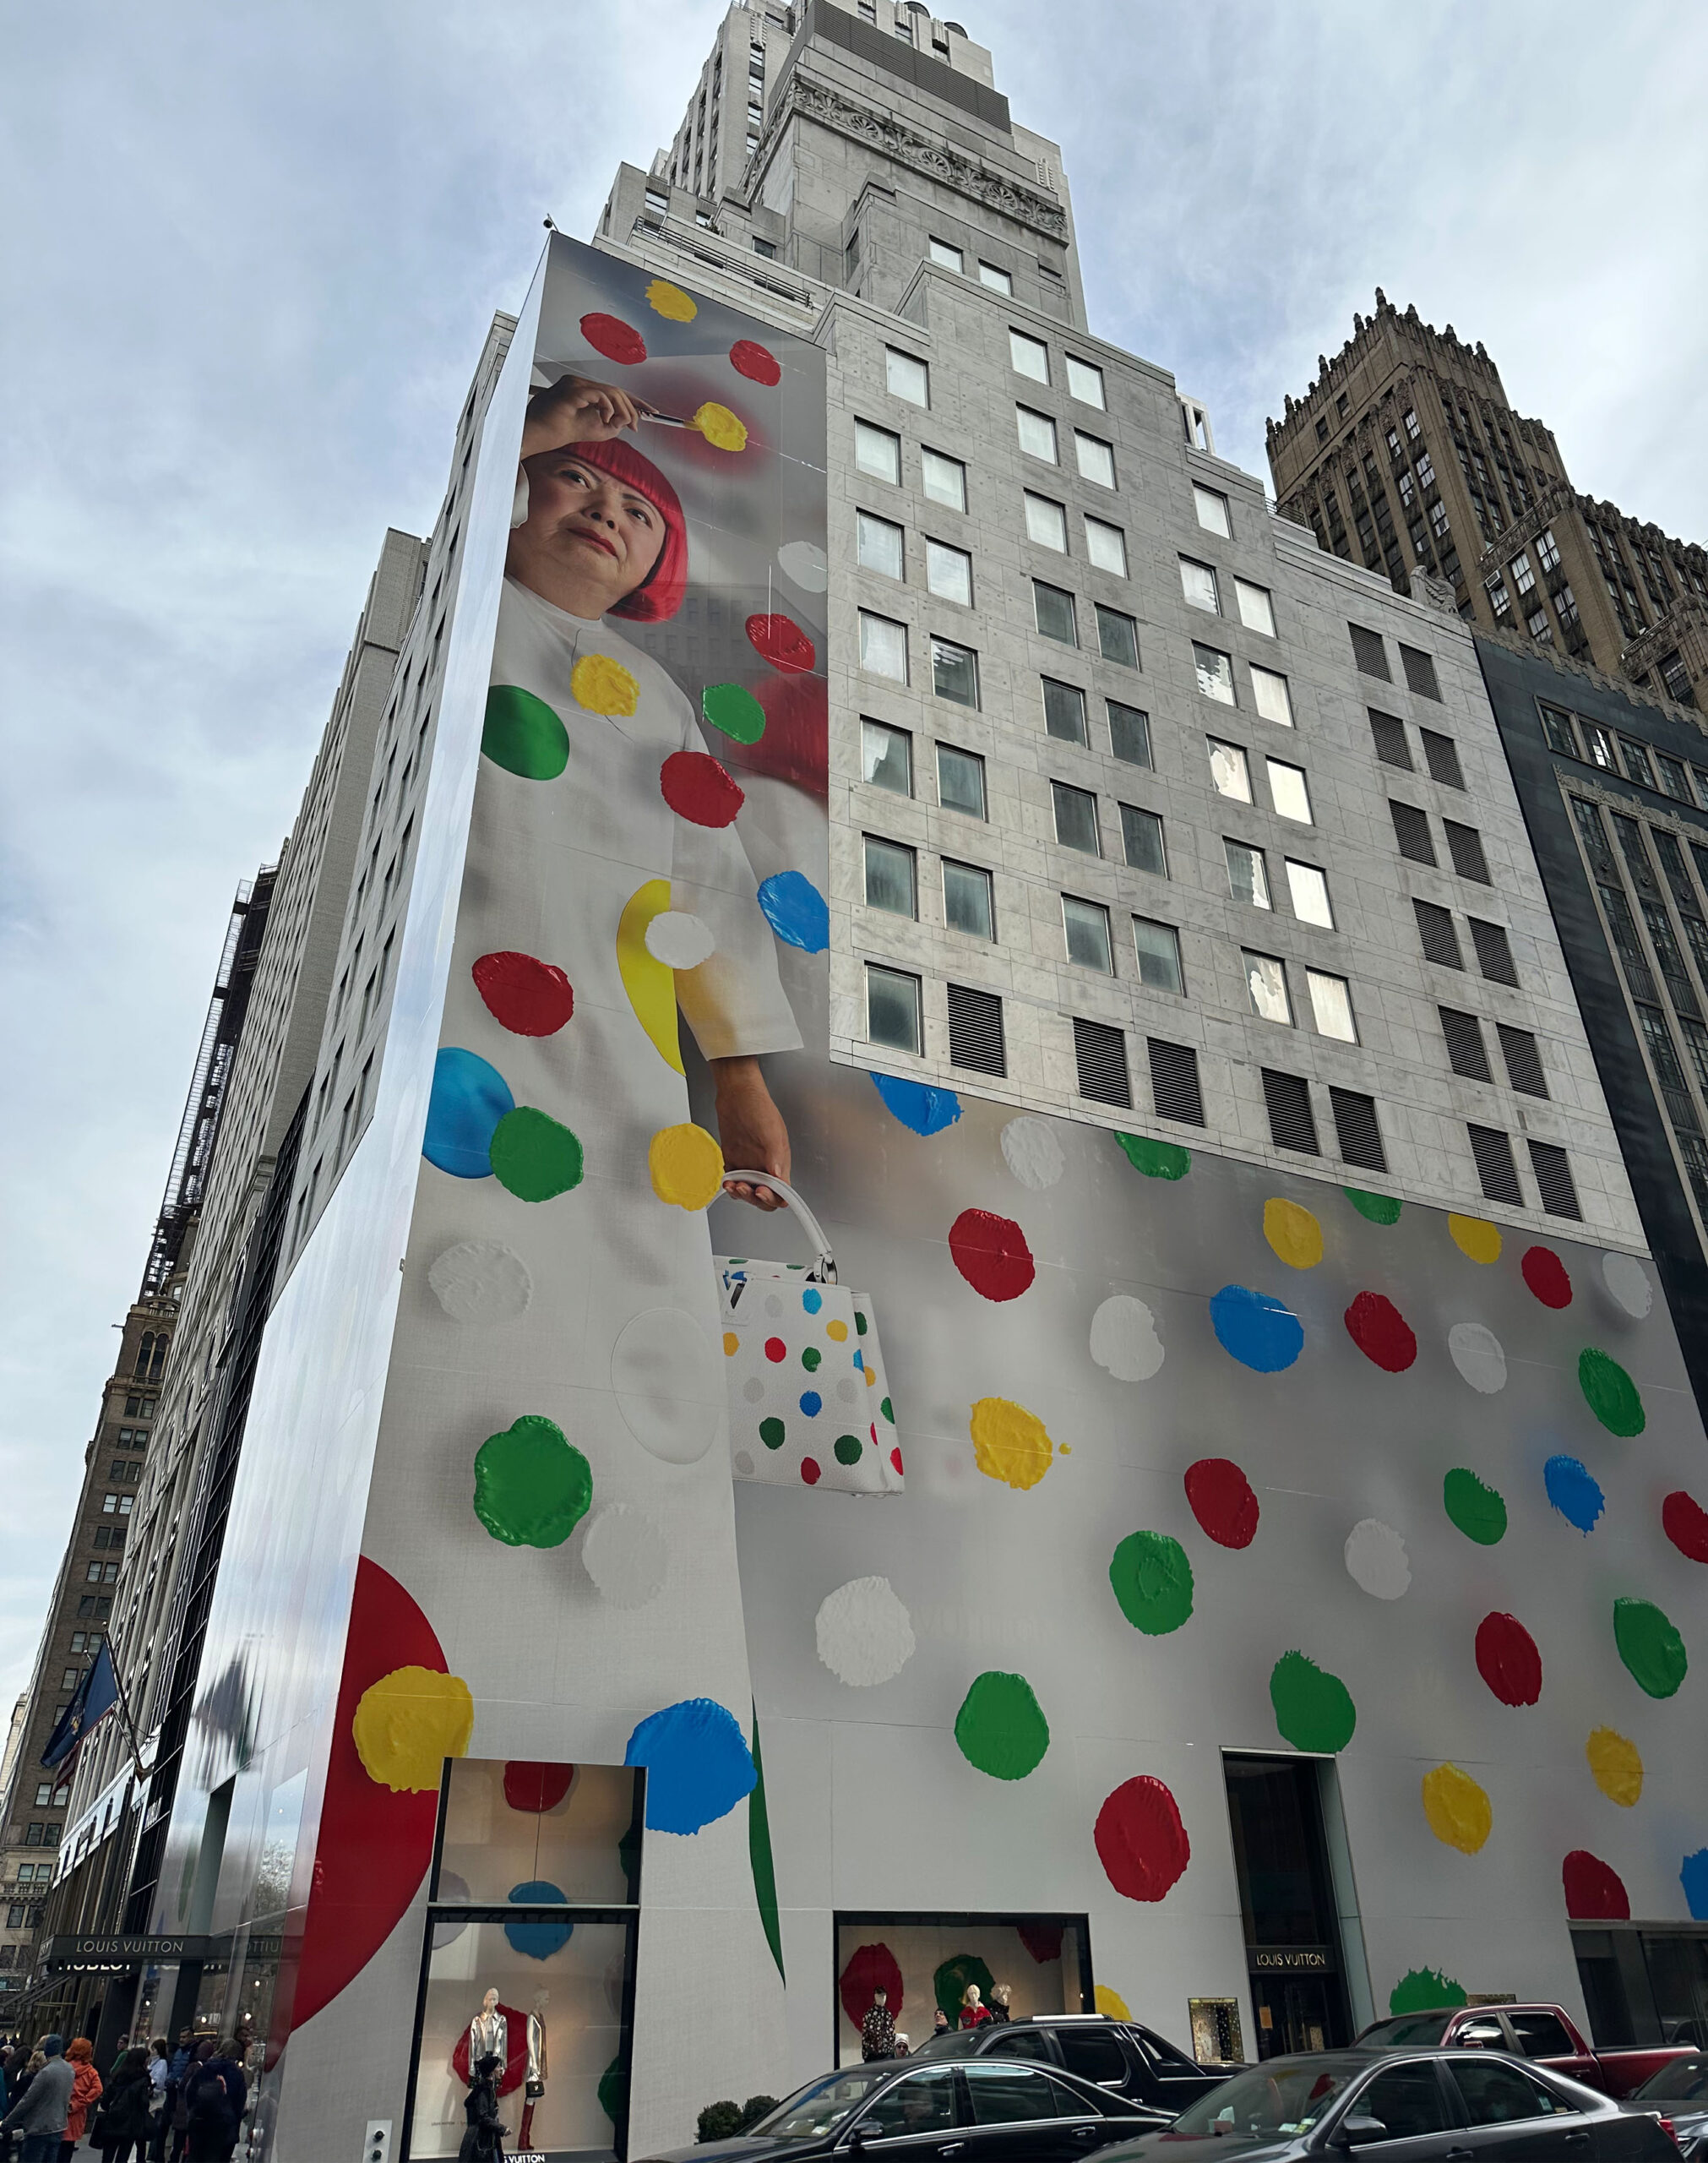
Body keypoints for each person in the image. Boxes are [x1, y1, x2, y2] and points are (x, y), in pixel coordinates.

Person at [1, 2034, 73, 2163]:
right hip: (58, 2126)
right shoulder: (69, 2069)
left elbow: (28, 2100)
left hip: (39, 2127)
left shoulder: (46, 2071)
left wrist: (7, 2121)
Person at [183, 2040, 245, 2163]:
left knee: (195, 2156)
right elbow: (239, 2101)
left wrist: (192, 2113)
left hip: (199, 2121)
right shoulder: (236, 2073)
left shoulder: (205, 2068)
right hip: (223, 2126)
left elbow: (189, 2091)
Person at [91, 2046, 153, 2163]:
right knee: (122, 2157)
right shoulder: (143, 2079)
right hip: (130, 2124)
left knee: (107, 2157)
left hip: (113, 2119)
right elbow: (144, 2104)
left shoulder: (118, 2075)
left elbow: (106, 2100)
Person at [459, 2051, 504, 2162]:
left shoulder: (487, 2089)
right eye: (498, 2067)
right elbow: (483, 2117)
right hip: (481, 2142)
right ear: (491, 2071)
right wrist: (502, 2128)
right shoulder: (483, 2091)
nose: (501, 2069)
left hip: (486, 2140)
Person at [60, 2039, 101, 2163]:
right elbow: (98, 2089)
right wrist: (80, 2103)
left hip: (58, 2111)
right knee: (67, 2150)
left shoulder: (63, 2067)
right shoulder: (90, 2072)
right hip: (76, 2115)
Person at [860, 1988, 896, 2062]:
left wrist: (892, 2053)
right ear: (875, 1997)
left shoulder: (888, 2015)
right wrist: (866, 2054)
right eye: (880, 1997)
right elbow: (865, 2036)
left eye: (884, 1997)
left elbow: (892, 2035)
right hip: (872, 2054)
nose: (883, 1999)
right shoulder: (869, 2015)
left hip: (887, 2054)